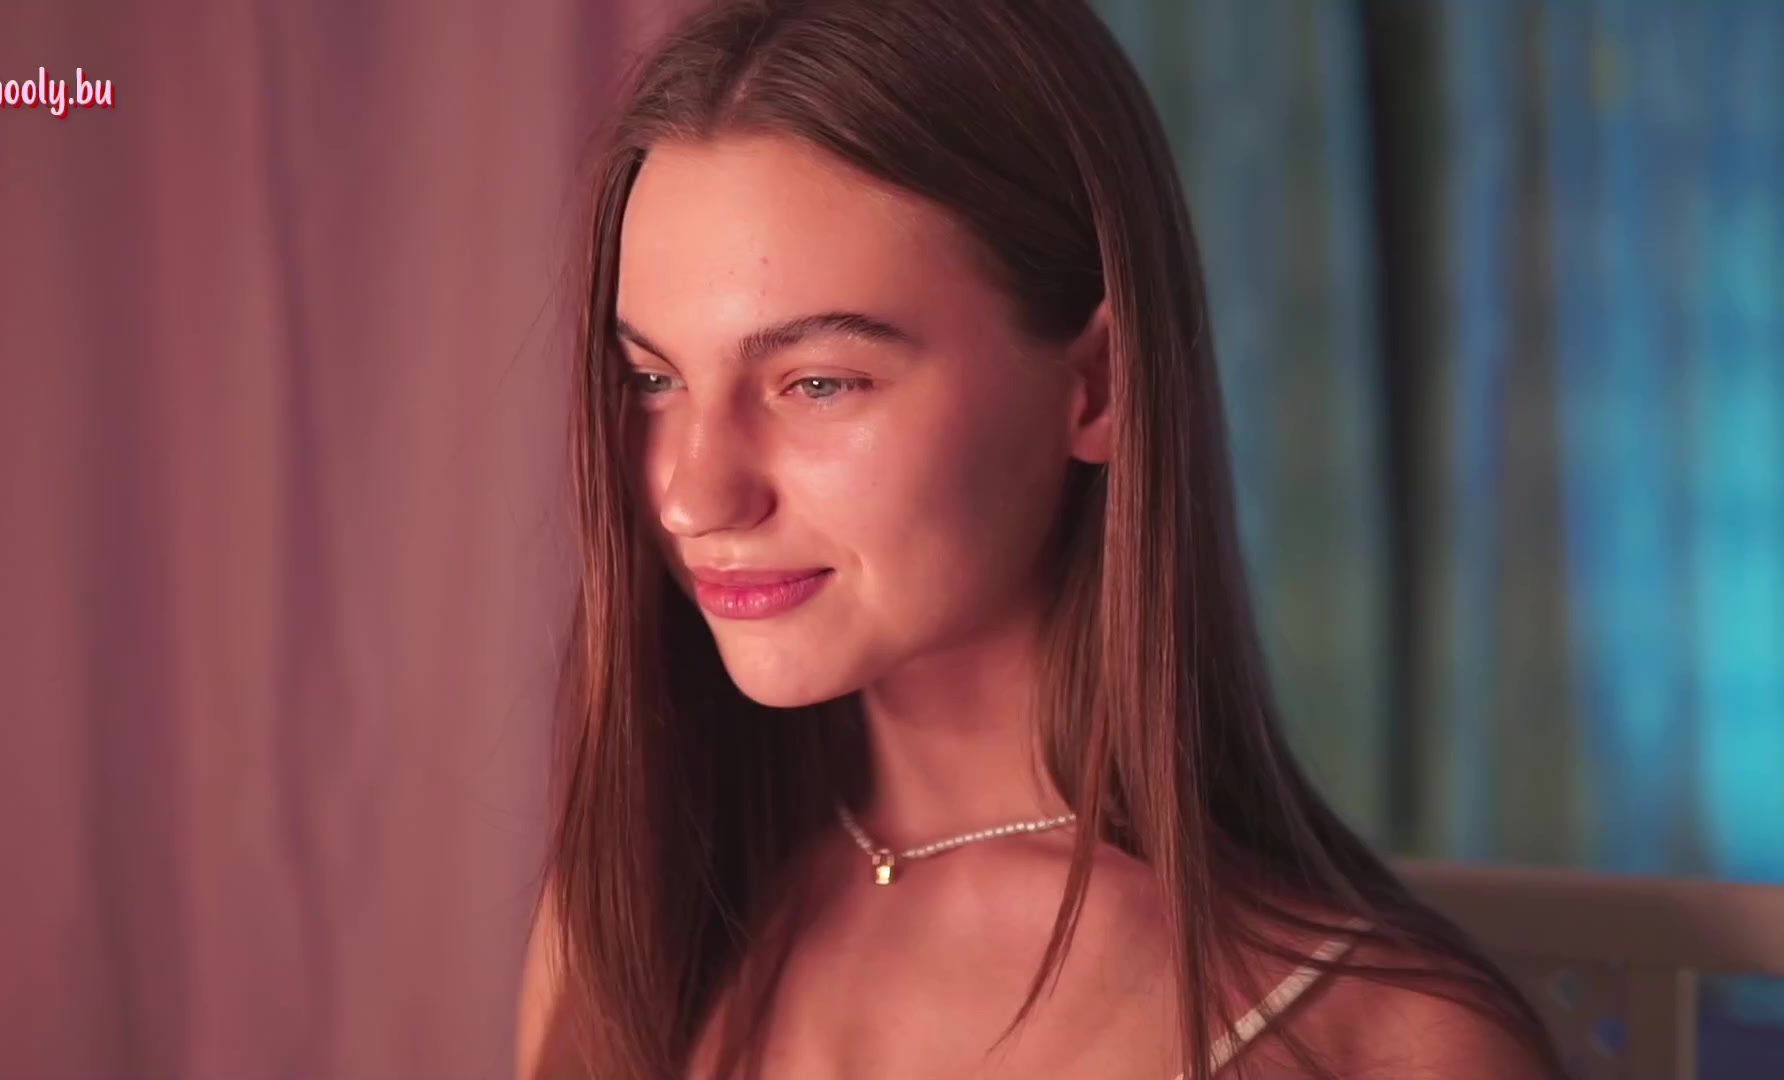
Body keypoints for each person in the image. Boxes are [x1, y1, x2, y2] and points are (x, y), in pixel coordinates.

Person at [517, 1, 1566, 1077]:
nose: (694, 495)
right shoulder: (630, 921)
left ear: (1098, 386)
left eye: (818, 383)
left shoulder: (1383, 1046)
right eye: (653, 379)